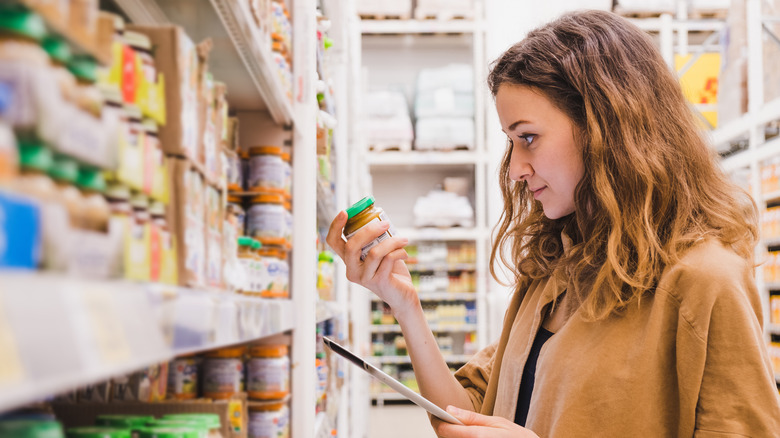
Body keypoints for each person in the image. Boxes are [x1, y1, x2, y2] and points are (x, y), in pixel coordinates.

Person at [327, 9, 780, 437]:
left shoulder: (704, 282)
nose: (514, 169)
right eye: (511, 142)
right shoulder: (553, 271)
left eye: (529, 138)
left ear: (607, 126)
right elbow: (467, 415)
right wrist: (404, 304)